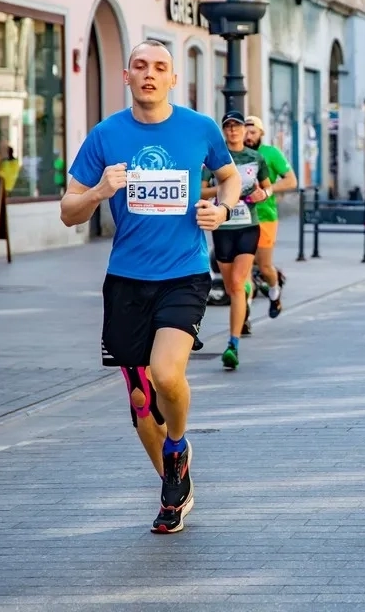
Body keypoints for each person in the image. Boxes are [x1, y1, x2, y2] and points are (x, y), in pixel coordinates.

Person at [60, 39, 241, 535]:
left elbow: (230, 179)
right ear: (127, 76)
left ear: (173, 79)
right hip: (126, 282)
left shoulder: (200, 128)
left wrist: (221, 209)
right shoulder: (105, 135)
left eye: (160, 68)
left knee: (165, 374)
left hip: (183, 273)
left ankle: (178, 444)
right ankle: (173, 487)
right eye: (140, 66)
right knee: (141, 404)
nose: (149, 75)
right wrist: (99, 192)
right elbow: (68, 210)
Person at [200, 110, 271, 370]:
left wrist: (262, 195)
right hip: (222, 226)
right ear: (224, 131)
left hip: (247, 226)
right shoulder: (215, 159)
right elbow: (200, 189)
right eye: (228, 127)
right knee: (231, 287)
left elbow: (267, 187)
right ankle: (245, 296)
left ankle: (233, 344)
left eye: (237, 127)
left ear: (244, 130)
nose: (233, 131)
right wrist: (224, 190)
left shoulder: (256, 157)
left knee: (238, 284)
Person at [243, 115, 297, 319]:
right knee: (244, 269)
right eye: (245, 132)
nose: (248, 136)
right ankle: (244, 317)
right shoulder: (236, 153)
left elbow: (291, 181)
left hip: (265, 216)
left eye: (253, 132)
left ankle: (274, 291)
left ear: (261, 134)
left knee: (264, 266)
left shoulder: (271, 153)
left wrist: (268, 190)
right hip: (241, 218)